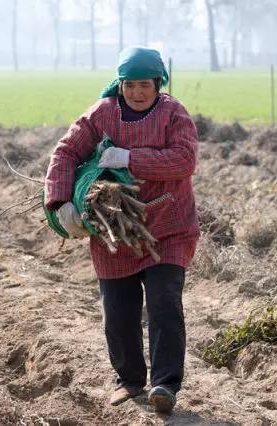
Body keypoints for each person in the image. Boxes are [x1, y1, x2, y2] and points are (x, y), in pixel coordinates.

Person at [44, 47, 199, 414]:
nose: (137, 93)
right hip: (114, 230)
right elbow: (65, 152)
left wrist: (130, 158)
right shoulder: (101, 114)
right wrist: (61, 202)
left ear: (158, 84)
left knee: (164, 304)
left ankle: (165, 384)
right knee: (119, 311)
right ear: (121, 84)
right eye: (130, 85)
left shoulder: (173, 114)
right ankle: (129, 381)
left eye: (144, 85)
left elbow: (185, 159)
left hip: (169, 226)